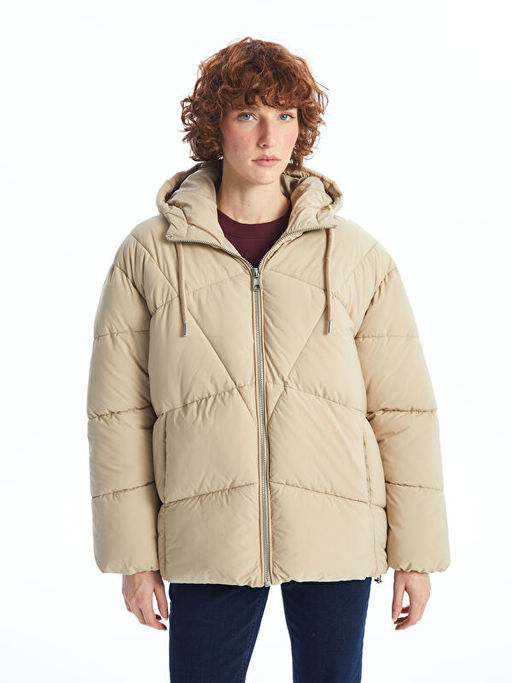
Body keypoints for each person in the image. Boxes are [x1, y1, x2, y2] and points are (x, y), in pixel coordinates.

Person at [86, 36, 450, 682]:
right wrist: (133, 557)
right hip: (208, 531)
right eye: (248, 113)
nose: (269, 135)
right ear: (215, 126)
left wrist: (415, 553)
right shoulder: (150, 254)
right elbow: (118, 416)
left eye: (286, 115)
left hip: (337, 527)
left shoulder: (356, 256)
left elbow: (403, 411)